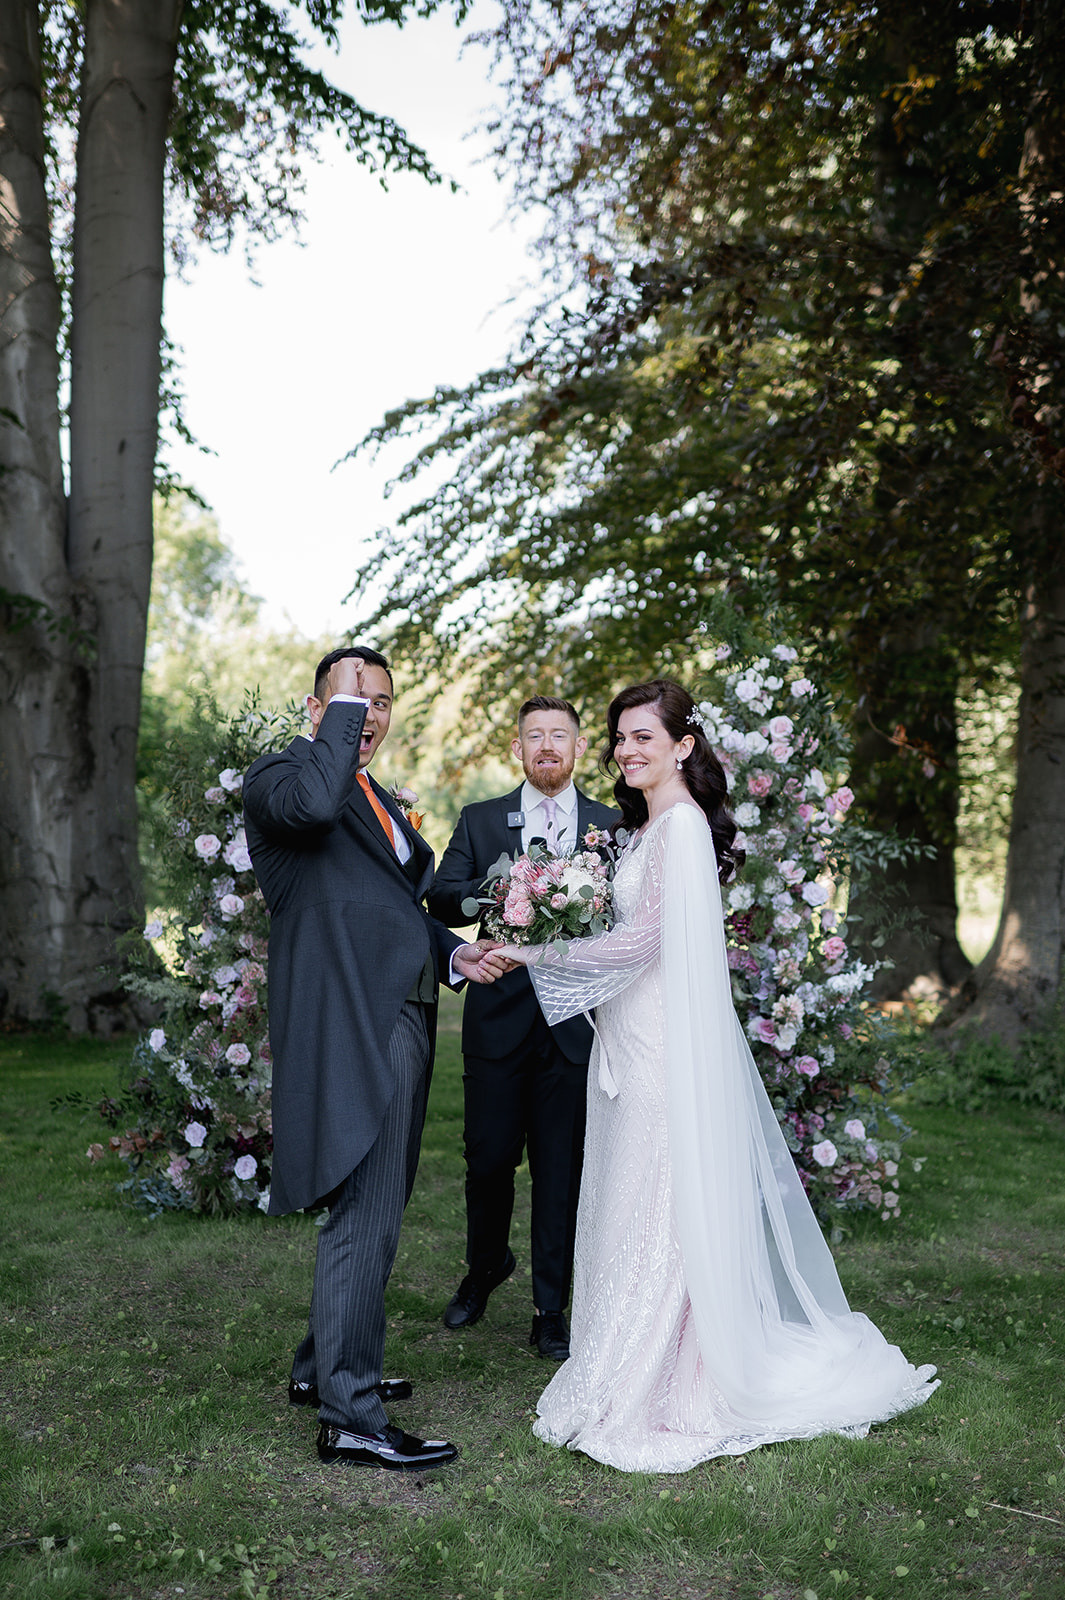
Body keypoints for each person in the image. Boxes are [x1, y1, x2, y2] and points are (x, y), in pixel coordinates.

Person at [500, 680, 938, 1473]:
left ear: (683, 745)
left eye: (642, 737)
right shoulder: (648, 831)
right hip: (630, 1037)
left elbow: (639, 947)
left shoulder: (681, 831)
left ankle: (667, 1374)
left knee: (657, 1201)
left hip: (664, 1044)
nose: (626, 751)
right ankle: (631, 1354)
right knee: (628, 1196)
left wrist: (532, 952)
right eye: (620, 739)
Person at [243, 645, 507, 1472]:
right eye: (357, 698)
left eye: (384, 701)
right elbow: (316, 812)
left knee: (376, 1205)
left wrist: (452, 953)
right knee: (366, 1211)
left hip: (400, 1003)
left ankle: (322, 1369)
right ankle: (349, 1417)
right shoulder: (283, 777)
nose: (373, 714)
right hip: (351, 1020)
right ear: (315, 708)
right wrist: (343, 721)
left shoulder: (369, 796)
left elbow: (385, 902)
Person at [427, 696, 618, 1360]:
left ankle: (550, 1307)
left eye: (557, 735)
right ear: (516, 748)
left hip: (575, 1025)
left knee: (560, 1169)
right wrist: (495, 892)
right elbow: (441, 894)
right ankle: (484, 1269)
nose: (545, 745)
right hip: (498, 1017)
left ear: (578, 747)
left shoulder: (611, 825)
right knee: (487, 1162)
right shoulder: (482, 820)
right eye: (533, 735)